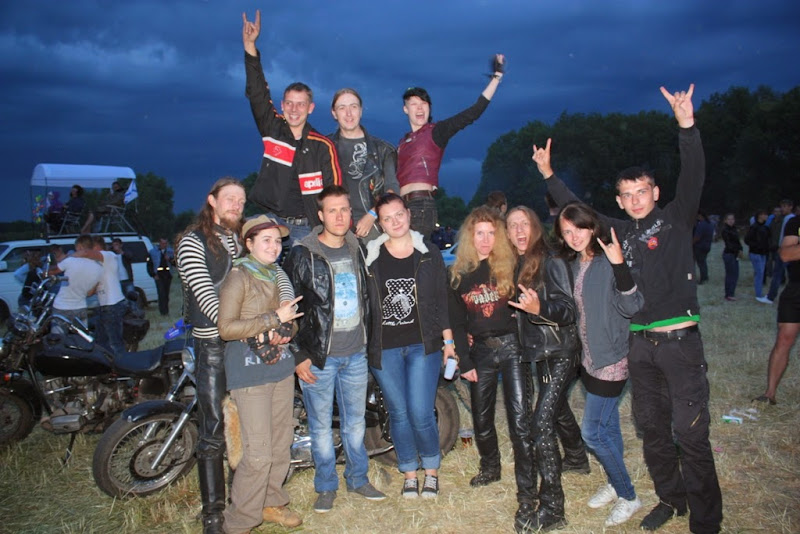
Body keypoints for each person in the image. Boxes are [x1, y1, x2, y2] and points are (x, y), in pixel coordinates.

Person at [537, 85, 723, 533]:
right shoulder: (617, 231)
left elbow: (694, 175)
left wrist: (687, 127)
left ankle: (706, 522)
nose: (636, 199)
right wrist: (548, 175)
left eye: (642, 191)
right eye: (627, 194)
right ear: (619, 201)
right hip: (639, 346)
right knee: (652, 431)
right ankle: (670, 499)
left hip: (679, 342)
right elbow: (578, 211)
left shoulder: (675, 218)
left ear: (655, 191)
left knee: (690, 433)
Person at [282, 185, 386, 513]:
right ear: (320, 215)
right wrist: (298, 355)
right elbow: (287, 308)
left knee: (355, 423)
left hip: (356, 354)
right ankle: (326, 486)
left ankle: (358, 479)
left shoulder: (358, 248)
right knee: (321, 427)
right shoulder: (303, 254)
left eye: (344, 209)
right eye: (332, 210)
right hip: (319, 358)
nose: (339, 216)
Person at [554, 202, 645, 528]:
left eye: (579, 228)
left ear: (592, 227)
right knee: (608, 426)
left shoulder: (608, 262)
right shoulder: (573, 265)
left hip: (612, 358)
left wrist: (620, 265)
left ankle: (629, 495)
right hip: (588, 359)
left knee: (592, 433)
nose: (574, 236)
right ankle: (614, 481)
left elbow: (633, 305)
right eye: (567, 231)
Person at [447, 206, 535, 531]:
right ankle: (490, 467)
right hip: (480, 351)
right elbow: (457, 323)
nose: (485, 240)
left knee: (519, 419)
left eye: (491, 233)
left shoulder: (513, 266)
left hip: (512, 347)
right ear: (470, 237)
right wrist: (464, 360)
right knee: (482, 418)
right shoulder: (458, 275)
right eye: (479, 233)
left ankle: (527, 486)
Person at [217, 215, 304, 532]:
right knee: (257, 453)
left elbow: (291, 321)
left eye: (278, 240)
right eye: (265, 240)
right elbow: (226, 328)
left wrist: (286, 330)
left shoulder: (279, 276)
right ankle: (239, 521)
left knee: (281, 444)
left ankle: (271, 502)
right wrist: (273, 319)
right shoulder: (238, 277)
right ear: (249, 243)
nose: (274, 246)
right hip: (249, 372)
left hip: (281, 368)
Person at [364, 193, 454, 498]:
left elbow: (441, 299)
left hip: (422, 345)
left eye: (399, 214)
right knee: (398, 413)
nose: (395, 222)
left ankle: (431, 471)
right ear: (380, 224)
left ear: (409, 214)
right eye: (387, 218)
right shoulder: (370, 257)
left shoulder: (428, 252)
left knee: (421, 411)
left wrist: (448, 341)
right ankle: (409, 473)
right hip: (384, 347)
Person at [505, 206, 585, 532]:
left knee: (541, 424)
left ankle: (553, 508)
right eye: (512, 226)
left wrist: (539, 309)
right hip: (538, 353)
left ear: (535, 227)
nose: (519, 231)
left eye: (524, 224)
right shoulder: (518, 263)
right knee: (556, 409)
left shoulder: (553, 260)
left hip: (561, 351)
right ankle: (577, 456)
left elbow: (568, 310)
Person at [176, 177, 246, 534]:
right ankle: (213, 514)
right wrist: (246, 327)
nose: (236, 205)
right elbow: (206, 296)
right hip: (213, 345)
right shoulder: (193, 241)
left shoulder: (238, 239)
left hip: (241, 344)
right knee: (213, 428)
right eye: (229, 198)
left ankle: (242, 501)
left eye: (241, 201)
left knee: (244, 421)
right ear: (212, 201)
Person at [242, 10, 341, 242]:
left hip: (306, 228)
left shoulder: (323, 146)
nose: (294, 109)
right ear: (282, 106)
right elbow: (257, 94)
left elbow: (334, 194)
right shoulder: (272, 129)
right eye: (289, 103)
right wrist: (250, 47)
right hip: (273, 220)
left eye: (301, 104)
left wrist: (332, 234)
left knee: (303, 267)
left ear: (311, 108)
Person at [397, 55, 505, 239]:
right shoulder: (402, 143)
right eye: (414, 104)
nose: (419, 108)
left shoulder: (436, 132)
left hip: (421, 205)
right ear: (405, 109)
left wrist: (495, 78)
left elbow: (472, 113)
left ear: (429, 108)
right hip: (399, 207)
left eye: (424, 103)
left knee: (412, 252)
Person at [328, 88, 399, 242]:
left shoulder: (383, 150)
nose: (348, 113)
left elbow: (392, 190)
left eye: (353, 107)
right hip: (335, 229)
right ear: (334, 113)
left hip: (374, 228)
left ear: (360, 111)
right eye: (342, 108)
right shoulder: (324, 148)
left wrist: (373, 214)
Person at [754, 213, 800, 405]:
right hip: (796, 288)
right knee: (783, 339)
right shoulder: (795, 222)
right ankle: (769, 394)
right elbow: (786, 254)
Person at [72, 236, 127, 356]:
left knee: (114, 343)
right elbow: (91, 290)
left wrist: (70, 257)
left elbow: (86, 253)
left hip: (113, 305)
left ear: (96, 246)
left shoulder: (109, 256)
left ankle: (123, 363)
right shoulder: (98, 264)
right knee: (100, 342)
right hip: (105, 307)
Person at [49, 236, 103, 327]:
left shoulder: (70, 261)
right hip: (80, 307)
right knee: (81, 335)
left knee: (58, 334)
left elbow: (50, 272)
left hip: (61, 306)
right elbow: (90, 293)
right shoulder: (99, 267)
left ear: (79, 247)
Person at [767, 199, 796, 302]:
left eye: (784, 206)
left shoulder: (790, 219)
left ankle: (771, 297)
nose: (782, 209)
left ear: (790, 207)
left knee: (777, 274)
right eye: (781, 206)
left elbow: (786, 235)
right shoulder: (786, 218)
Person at [745, 209, 771, 303]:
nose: (766, 216)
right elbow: (747, 240)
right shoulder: (754, 227)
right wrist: (756, 246)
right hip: (755, 253)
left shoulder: (765, 227)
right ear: (760, 216)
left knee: (761, 273)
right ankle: (758, 294)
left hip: (763, 253)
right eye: (764, 214)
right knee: (759, 273)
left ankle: (759, 293)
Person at [148, 237, 175, 316]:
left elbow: (175, 263)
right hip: (159, 275)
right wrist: (153, 274)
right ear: (159, 243)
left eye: (165, 243)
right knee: (161, 293)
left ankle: (166, 311)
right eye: (162, 243)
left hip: (167, 274)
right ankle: (162, 312)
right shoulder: (153, 252)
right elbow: (149, 265)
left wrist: (169, 259)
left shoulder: (170, 252)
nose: (164, 245)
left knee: (166, 294)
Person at [720, 214, 742, 301]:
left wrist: (740, 249)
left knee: (735, 274)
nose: (731, 221)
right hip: (729, 254)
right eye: (729, 219)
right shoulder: (725, 230)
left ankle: (730, 293)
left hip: (734, 254)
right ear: (725, 220)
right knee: (731, 275)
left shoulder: (734, 229)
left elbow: (737, 242)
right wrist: (737, 250)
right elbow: (729, 244)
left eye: (732, 219)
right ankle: (729, 294)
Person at [692, 212, 714, 284]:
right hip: (707, 245)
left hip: (699, 246)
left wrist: (691, 243)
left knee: (700, 263)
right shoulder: (710, 224)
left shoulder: (701, 225)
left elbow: (697, 237)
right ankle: (705, 277)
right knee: (703, 263)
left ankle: (702, 279)